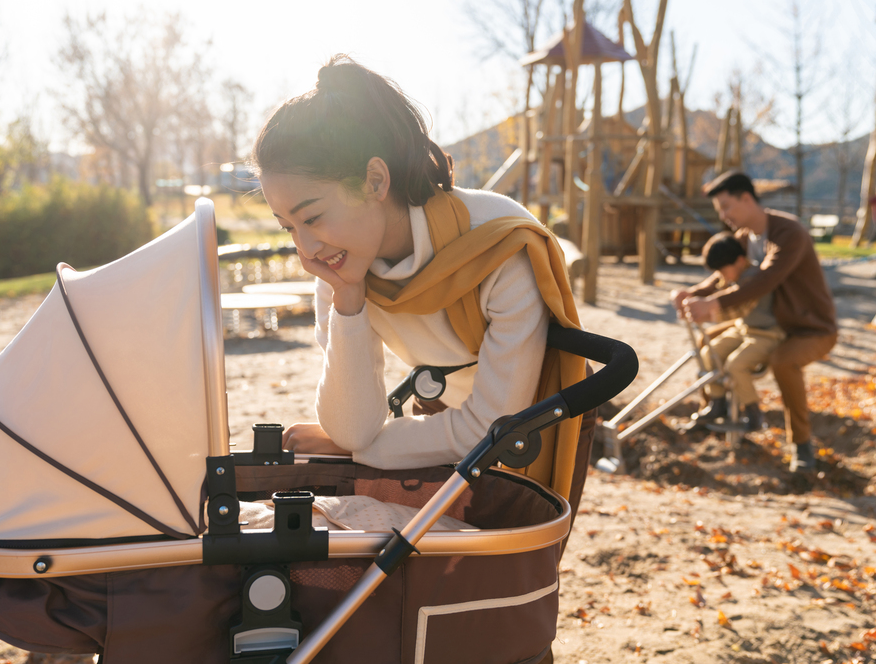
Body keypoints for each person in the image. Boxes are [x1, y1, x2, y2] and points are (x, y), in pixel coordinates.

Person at [251, 55, 588, 507]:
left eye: (312, 216)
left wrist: (360, 450)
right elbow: (353, 425)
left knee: (513, 567)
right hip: (436, 422)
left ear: (375, 180)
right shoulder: (340, 265)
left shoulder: (500, 248)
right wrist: (348, 299)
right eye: (287, 227)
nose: (306, 248)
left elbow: (491, 425)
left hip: (532, 427)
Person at [671, 170, 837, 474]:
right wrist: (694, 293)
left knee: (783, 362)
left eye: (726, 207)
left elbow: (766, 280)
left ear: (746, 199)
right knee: (707, 344)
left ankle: (802, 445)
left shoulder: (789, 234)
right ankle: (714, 409)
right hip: (764, 322)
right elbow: (724, 273)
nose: (723, 215)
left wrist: (715, 302)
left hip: (806, 327)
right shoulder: (747, 237)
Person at [692, 232, 785, 432]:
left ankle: (754, 413)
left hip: (767, 333)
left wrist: (706, 314)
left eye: (724, 271)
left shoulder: (753, 279)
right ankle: (718, 403)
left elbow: (737, 309)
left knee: (736, 366)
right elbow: (717, 290)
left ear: (741, 261)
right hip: (743, 329)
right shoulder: (735, 273)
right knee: (710, 353)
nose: (722, 277)